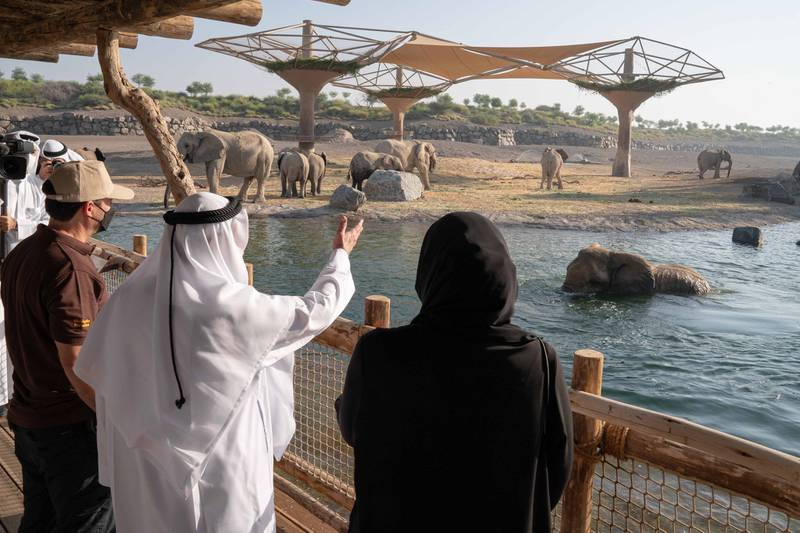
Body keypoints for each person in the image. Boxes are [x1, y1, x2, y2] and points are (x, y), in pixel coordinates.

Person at [75, 193, 363, 533]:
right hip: (225, 458)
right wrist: (340, 257)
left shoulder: (127, 298)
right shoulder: (232, 307)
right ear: (226, 238)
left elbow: (97, 370)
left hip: (144, 457)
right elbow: (315, 310)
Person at [336, 211, 574, 533]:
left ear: (428, 274)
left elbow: (353, 430)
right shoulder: (540, 360)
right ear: (506, 277)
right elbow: (557, 467)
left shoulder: (377, 353)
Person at [1, 159, 133, 532]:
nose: (111, 209)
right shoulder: (70, 269)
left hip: (29, 415)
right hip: (68, 428)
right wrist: (114, 418)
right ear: (89, 208)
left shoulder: (23, 253)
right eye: (107, 201)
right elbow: (75, 360)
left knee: (39, 520)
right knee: (88, 521)